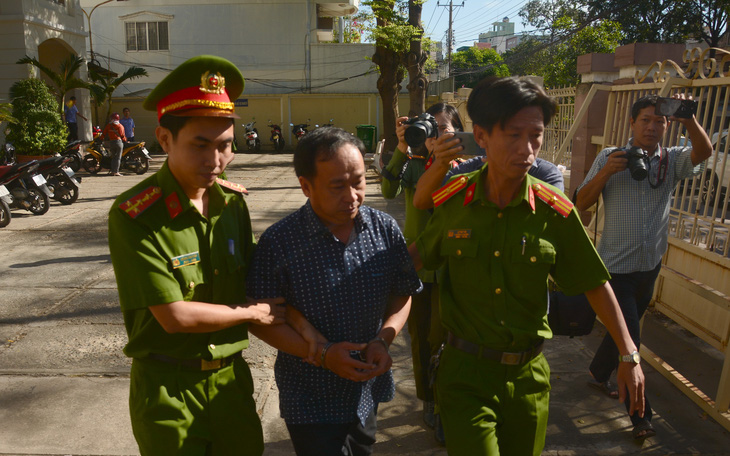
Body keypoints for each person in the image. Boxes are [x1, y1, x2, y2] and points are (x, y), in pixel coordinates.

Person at [409, 76, 646, 455]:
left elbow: (594, 282)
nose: (527, 149)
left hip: (529, 376)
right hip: (465, 374)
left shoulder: (555, 211)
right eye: (513, 135)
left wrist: (628, 354)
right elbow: (416, 259)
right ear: (482, 136)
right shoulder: (455, 199)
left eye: (535, 136)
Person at [108, 55, 285, 455]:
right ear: (165, 139)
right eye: (200, 145)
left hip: (230, 384)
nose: (215, 161)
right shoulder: (135, 214)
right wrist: (253, 313)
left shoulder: (232, 203)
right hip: (168, 391)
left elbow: (259, 277)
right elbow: (174, 316)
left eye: (225, 146)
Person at [247, 126, 423, 456]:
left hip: (366, 389)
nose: (352, 196)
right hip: (310, 398)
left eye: (357, 182)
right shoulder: (279, 242)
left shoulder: (383, 229)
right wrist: (325, 355)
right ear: (306, 186)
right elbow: (262, 319)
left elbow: (403, 292)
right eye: (337, 186)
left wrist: (383, 339)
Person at [576, 94, 712, 440]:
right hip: (616, 268)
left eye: (659, 121)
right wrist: (606, 171)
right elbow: (581, 202)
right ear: (632, 124)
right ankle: (641, 416)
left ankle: (597, 371)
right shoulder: (611, 156)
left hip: (650, 264)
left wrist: (688, 118)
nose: (652, 127)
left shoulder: (672, 161)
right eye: (645, 121)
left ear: (666, 126)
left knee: (623, 327)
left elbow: (705, 153)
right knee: (631, 342)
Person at [380, 102, 464, 443]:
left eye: (445, 129)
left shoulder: (467, 167)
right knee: (421, 340)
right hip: (417, 266)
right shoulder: (414, 166)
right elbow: (388, 190)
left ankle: (447, 402)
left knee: (448, 340)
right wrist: (401, 147)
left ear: (457, 132)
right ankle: (429, 400)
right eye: (433, 129)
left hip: (454, 266)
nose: (438, 136)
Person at [412, 137, 564, 211]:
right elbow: (423, 202)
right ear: (480, 134)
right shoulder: (464, 175)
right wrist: (441, 163)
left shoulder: (547, 176)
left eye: (535, 132)